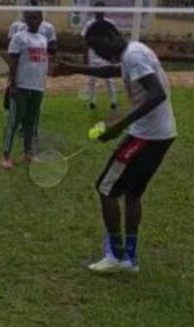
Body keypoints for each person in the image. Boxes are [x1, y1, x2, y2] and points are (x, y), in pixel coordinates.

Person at [55, 21, 176, 273]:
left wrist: (120, 125)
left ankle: (115, 255)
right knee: (132, 195)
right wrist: (73, 69)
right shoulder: (134, 51)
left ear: (111, 35)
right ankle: (129, 258)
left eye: (98, 46)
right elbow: (114, 71)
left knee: (105, 188)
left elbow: (157, 93)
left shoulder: (133, 55)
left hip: (147, 135)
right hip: (162, 133)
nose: (98, 53)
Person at [2, 9, 50, 169]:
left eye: (36, 17)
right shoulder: (19, 38)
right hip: (21, 86)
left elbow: (42, 63)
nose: (33, 20)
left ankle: (28, 152)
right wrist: (12, 84)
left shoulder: (43, 39)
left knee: (31, 122)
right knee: (15, 120)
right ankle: (6, 155)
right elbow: (13, 61)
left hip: (37, 87)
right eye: (29, 18)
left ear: (41, 19)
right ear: (24, 19)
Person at [82, 2, 118, 111]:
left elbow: (115, 39)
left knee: (109, 79)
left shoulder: (109, 23)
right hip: (93, 55)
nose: (99, 12)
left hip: (105, 55)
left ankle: (113, 101)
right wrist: (84, 56)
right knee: (92, 79)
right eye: (97, 9)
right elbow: (85, 41)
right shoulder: (89, 24)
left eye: (101, 9)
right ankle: (92, 102)